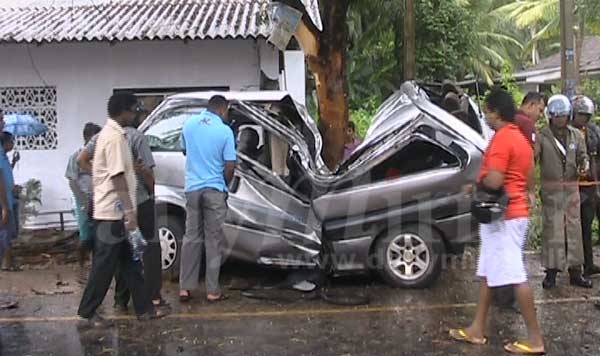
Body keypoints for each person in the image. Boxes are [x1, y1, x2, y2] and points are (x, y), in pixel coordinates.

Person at [449, 88, 545, 355]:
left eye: (486, 111)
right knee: (490, 272)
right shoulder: (521, 139)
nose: (485, 116)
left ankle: (535, 340)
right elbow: (529, 176)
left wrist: (473, 185)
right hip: (513, 213)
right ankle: (476, 329)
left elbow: (495, 180)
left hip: (504, 216)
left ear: (494, 111)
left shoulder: (502, 139)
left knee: (516, 275)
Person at [77, 93, 164, 327]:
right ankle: (87, 311)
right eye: (134, 110)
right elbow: (117, 177)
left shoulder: (110, 135)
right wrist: (129, 212)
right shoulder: (114, 139)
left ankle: (144, 310)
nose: (135, 115)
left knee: (131, 264)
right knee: (104, 267)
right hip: (112, 214)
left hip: (114, 212)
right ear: (124, 111)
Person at [179, 95, 236, 303]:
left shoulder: (189, 124)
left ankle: (185, 288)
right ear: (223, 110)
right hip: (214, 189)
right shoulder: (225, 131)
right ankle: (212, 291)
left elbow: (185, 150)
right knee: (213, 240)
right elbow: (231, 165)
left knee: (191, 237)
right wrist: (224, 184)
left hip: (192, 189)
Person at [537, 94, 592, 289]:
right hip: (551, 191)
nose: (560, 118)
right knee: (553, 231)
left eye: (563, 115)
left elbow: (583, 155)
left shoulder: (576, 135)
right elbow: (532, 159)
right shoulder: (542, 136)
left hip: (571, 190)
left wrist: (583, 165)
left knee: (574, 230)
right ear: (550, 116)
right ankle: (551, 272)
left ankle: (576, 272)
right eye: (557, 115)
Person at [65, 123, 101, 282]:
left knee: (98, 235)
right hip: (83, 201)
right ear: (88, 138)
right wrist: (84, 202)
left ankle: (95, 266)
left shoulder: (100, 157)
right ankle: (80, 264)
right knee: (85, 235)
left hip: (98, 200)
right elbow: (72, 182)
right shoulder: (77, 156)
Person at [571, 95, 600, 276]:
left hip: (592, 185)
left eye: (586, 115)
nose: (584, 119)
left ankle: (589, 263)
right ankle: (577, 266)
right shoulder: (568, 132)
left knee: (588, 224)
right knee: (579, 228)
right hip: (574, 186)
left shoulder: (594, 132)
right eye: (581, 115)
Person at [0, 132, 18, 272]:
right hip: (4, 199)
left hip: (9, 198)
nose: (13, 144)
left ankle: (9, 261)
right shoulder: (0, 157)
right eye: (11, 141)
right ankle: (6, 263)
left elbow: (6, 175)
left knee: (9, 232)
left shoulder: (5, 158)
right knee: (5, 232)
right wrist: (5, 205)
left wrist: (14, 162)